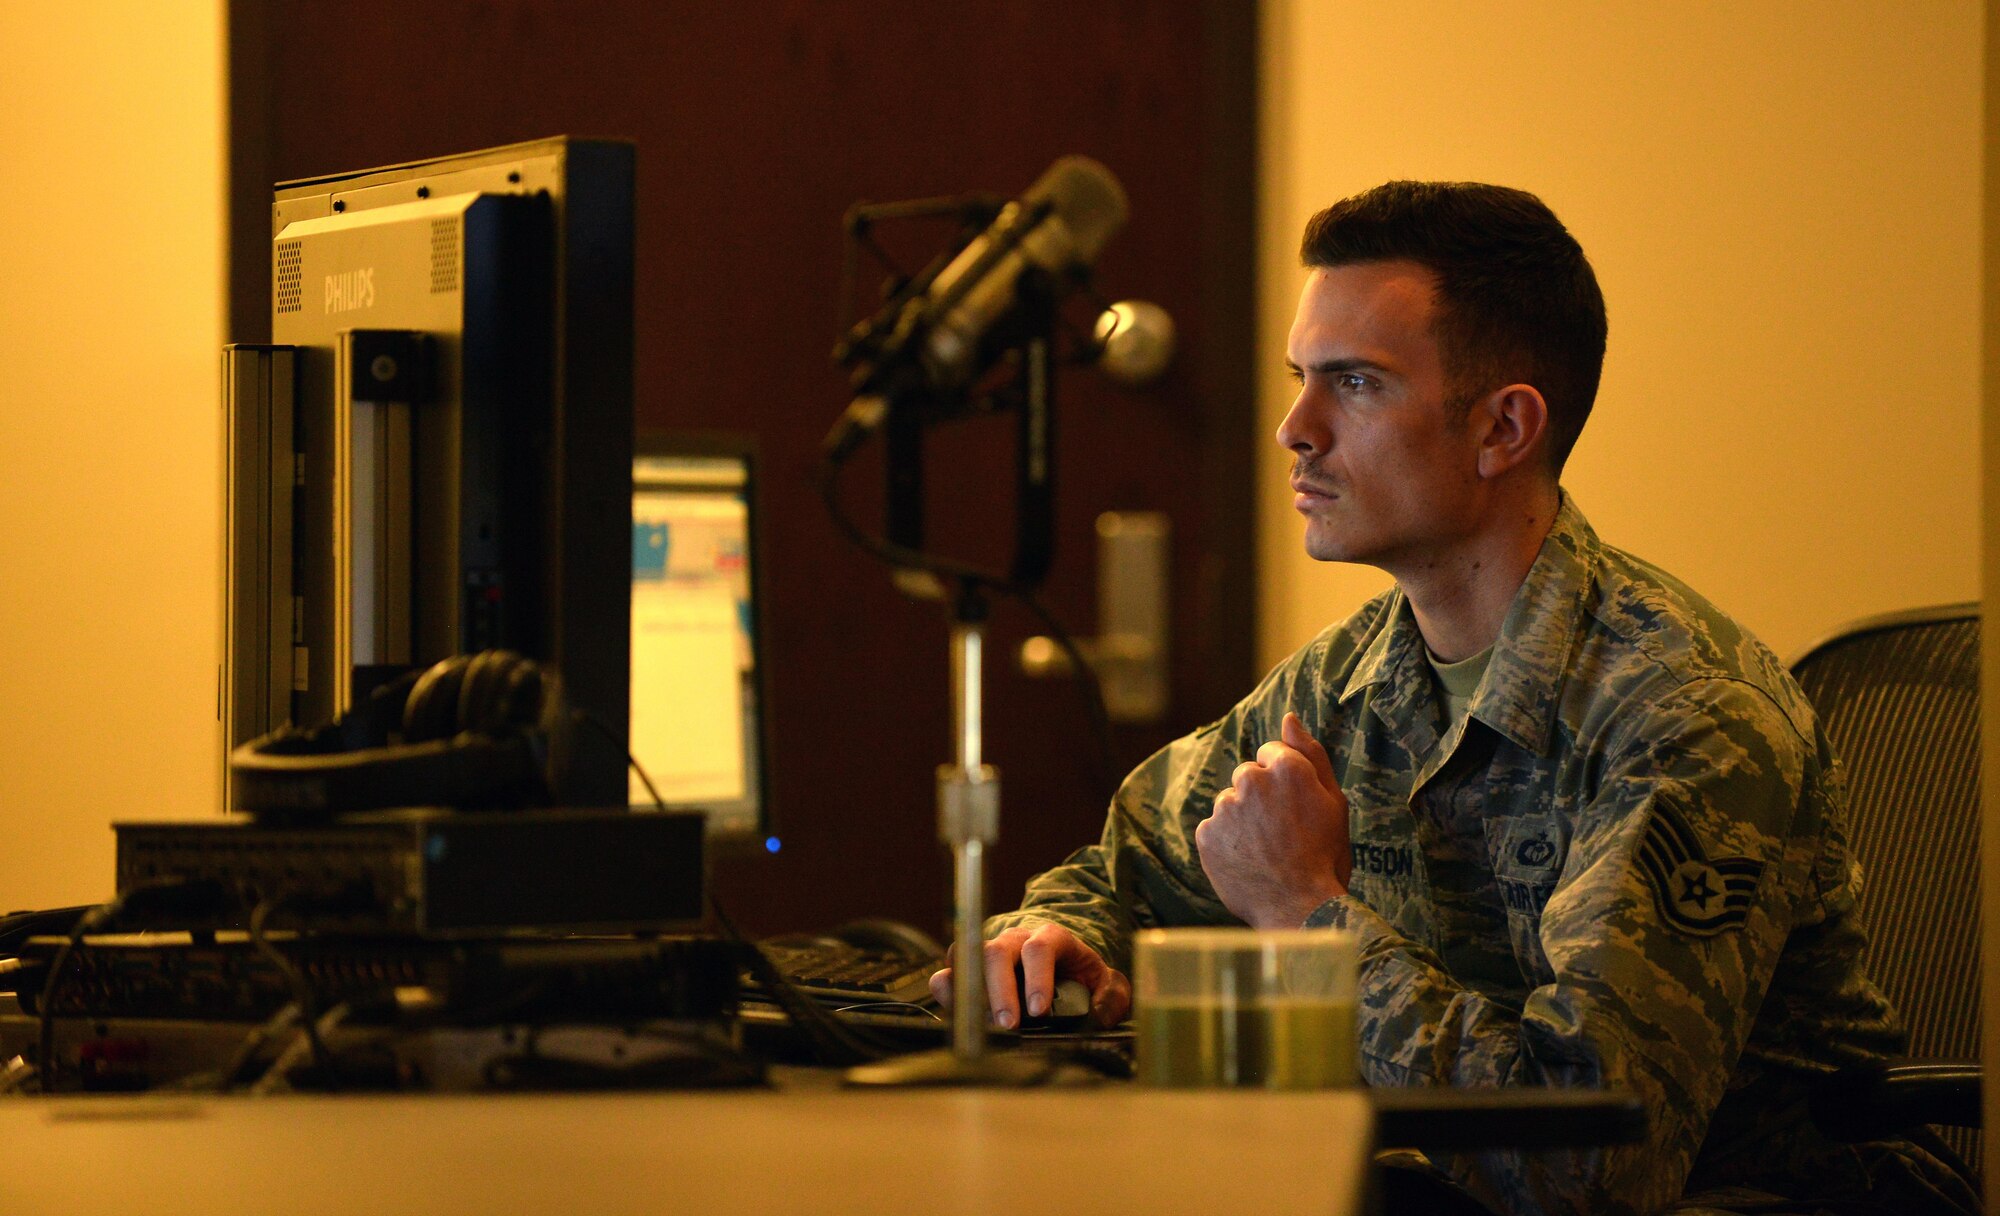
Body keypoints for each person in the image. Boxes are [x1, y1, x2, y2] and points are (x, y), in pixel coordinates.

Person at [928, 181, 1978, 1215]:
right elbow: (1119, 871)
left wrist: (1306, 917)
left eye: (1352, 383)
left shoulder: (1682, 714)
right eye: (1298, 377)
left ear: (1501, 428)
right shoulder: (1346, 680)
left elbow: (1587, 1169)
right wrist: (1049, 936)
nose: (1294, 427)